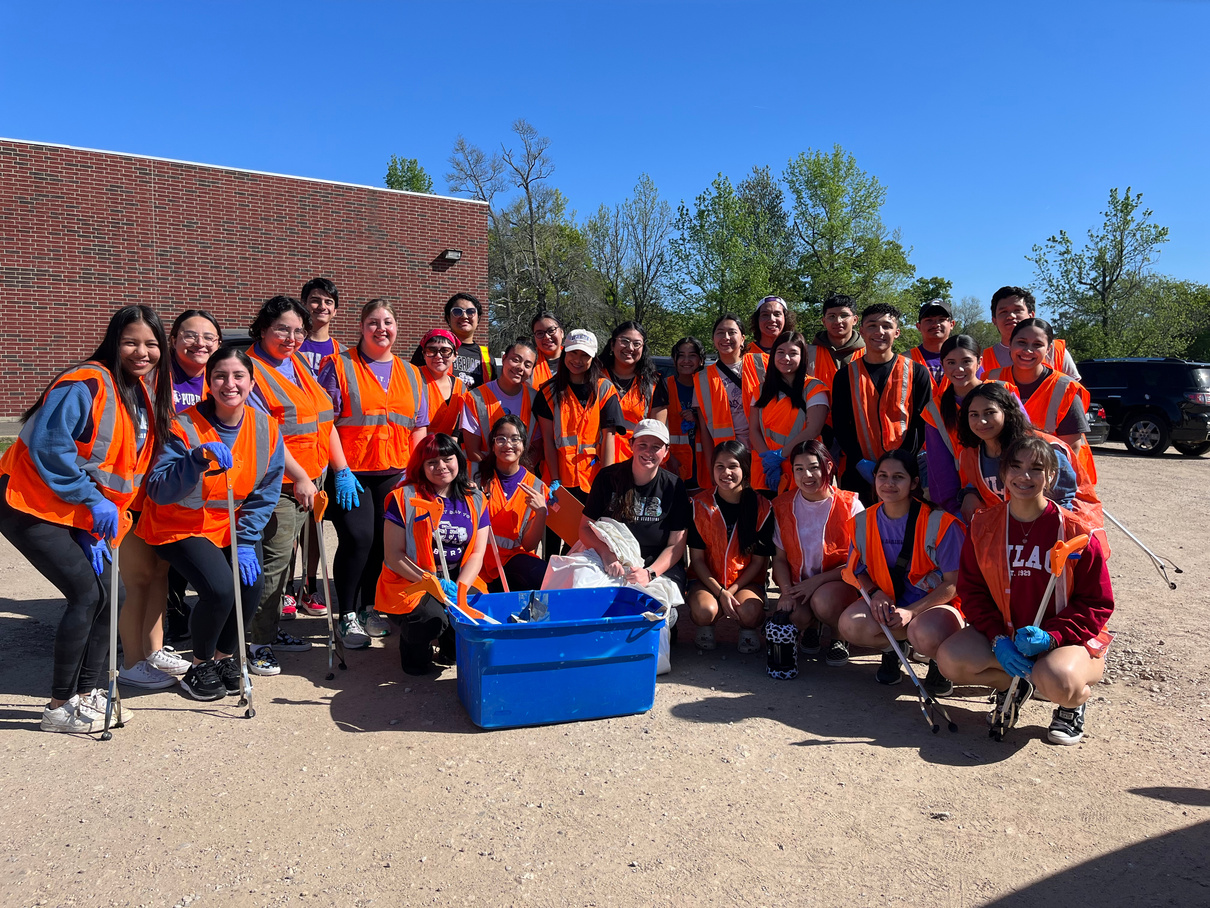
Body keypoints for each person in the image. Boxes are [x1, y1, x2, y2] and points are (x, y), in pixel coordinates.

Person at [0, 306, 173, 731]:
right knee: (86, 594)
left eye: (151, 344)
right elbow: (49, 448)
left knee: (113, 596)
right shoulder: (86, 382)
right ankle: (59, 707)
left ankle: (89, 692)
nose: (142, 352)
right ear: (114, 342)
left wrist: (93, 522)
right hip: (29, 502)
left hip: (79, 511)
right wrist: (90, 502)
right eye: (131, 342)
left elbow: (119, 471)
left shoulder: (139, 393)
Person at [935, 435, 1113, 744]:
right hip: (1008, 633)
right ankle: (1013, 686)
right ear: (1003, 473)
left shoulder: (1077, 533)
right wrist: (997, 638)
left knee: (1059, 680)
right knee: (950, 660)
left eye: (1036, 468)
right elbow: (973, 591)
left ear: (1052, 475)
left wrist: (1053, 636)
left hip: (1064, 640)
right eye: (1015, 467)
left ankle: (1072, 705)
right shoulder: (983, 525)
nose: (1024, 476)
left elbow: (1097, 603)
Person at [139, 346, 285, 702]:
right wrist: (194, 460)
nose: (229, 384)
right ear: (209, 382)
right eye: (220, 376)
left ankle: (223, 658)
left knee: (250, 586)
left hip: (229, 526)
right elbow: (158, 488)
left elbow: (266, 490)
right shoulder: (181, 426)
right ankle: (199, 665)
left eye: (238, 376)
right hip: (178, 524)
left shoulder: (266, 427)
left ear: (252, 383)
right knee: (220, 589)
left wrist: (246, 539)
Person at [318, 299, 428, 649]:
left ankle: (369, 607)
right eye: (374, 322)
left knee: (384, 542)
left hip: (395, 472)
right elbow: (326, 422)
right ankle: (347, 614)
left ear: (397, 327)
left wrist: (415, 474)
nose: (382, 329)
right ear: (361, 327)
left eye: (388, 322)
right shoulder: (339, 365)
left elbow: (418, 427)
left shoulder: (412, 374)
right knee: (358, 538)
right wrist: (340, 470)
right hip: (352, 471)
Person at [245, 296, 341, 675]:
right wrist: (300, 476)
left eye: (299, 331)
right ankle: (257, 642)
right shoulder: (250, 370)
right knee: (274, 562)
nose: (292, 338)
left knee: (285, 563)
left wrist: (328, 472)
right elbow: (264, 433)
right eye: (282, 329)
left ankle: (270, 629)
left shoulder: (296, 363)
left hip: (310, 477)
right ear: (262, 329)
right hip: (279, 483)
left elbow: (319, 418)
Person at [837, 450, 966, 694]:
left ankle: (937, 660)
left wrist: (911, 611)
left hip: (935, 605)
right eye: (882, 476)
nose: (889, 483)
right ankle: (894, 649)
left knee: (925, 634)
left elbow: (955, 583)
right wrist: (874, 593)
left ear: (914, 482)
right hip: (890, 601)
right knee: (850, 624)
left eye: (898, 477)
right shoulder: (863, 521)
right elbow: (856, 570)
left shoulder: (941, 522)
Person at [376, 433, 489, 676]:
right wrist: (431, 583)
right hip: (411, 580)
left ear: (458, 460)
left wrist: (460, 589)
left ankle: (450, 649)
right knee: (430, 618)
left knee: (473, 611)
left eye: (447, 459)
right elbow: (393, 555)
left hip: (456, 577)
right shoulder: (404, 498)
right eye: (432, 462)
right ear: (421, 466)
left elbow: (477, 553)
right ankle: (414, 652)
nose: (441, 467)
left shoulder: (475, 498)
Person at [770, 440, 863, 666]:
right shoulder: (782, 506)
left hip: (838, 584)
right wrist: (786, 592)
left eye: (814, 467)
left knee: (823, 602)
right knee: (794, 615)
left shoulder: (851, 505)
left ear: (828, 467)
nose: (807, 475)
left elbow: (860, 563)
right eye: (799, 469)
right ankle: (812, 626)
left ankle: (838, 637)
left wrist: (817, 582)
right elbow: (779, 559)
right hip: (800, 585)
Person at [831, 304, 932, 500]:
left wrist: (902, 462)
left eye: (887, 326)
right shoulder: (845, 376)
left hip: (905, 471)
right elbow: (841, 424)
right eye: (872, 326)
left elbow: (921, 424)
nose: (879, 332)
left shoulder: (917, 372)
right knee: (862, 519)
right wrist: (859, 461)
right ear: (861, 331)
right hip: (859, 472)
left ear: (897, 332)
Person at [580, 419, 691, 596]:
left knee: (647, 605)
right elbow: (585, 528)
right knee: (584, 591)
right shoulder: (607, 478)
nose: (648, 451)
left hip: (657, 568)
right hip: (611, 562)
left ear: (666, 451)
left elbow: (676, 545)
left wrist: (650, 573)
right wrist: (607, 555)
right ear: (631, 444)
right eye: (642, 444)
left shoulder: (674, 486)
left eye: (656, 447)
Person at [686, 441, 774, 653]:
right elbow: (696, 560)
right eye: (720, 466)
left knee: (750, 612)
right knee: (705, 611)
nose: (726, 473)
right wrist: (720, 592)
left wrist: (730, 592)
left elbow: (758, 562)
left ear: (745, 468)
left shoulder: (763, 507)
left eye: (733, 466)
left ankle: (747, 628)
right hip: (707, 581)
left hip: (745, 582)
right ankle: (706, 625)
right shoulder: (699, 505)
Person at [924, 335, 1013, 517]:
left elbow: (1024, 439)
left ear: (979, 362)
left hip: (1013, 491)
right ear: (942, 365)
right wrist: (954, 509)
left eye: (966, 361)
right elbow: (940, 469)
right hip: (968, 503)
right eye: (951, 362)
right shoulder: (935, 409)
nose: (959, 369)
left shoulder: (1003, 391)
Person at [534, 329, 623, 499]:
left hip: (593, 480)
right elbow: (548, 440)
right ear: (564, 352)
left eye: (584, 355)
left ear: (593, 358)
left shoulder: (605, 389)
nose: (577, 360)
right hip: (559, 480)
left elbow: (609, 439)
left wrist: (605, 480)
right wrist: (555, 479)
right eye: (573, 353)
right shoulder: (548, 392)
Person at [986, 319, 1093, 459]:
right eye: (1021, 342)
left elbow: (1072, 449)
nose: (1028, 350)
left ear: (1048, 349)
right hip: (1009, 467)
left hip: (1056, 468)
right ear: (1010, 344)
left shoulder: (1066, 389)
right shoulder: (990, 379)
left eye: (1037, 345)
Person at [749, 331, 830, 495]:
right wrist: (768, 459)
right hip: (766, 470)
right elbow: (754, 430)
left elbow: (813, 430)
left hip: (803, 469)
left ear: (802, 357)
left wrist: (780, 456)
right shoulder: (761, 390)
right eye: (781, 352)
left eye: (793, 353)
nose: (786, 358)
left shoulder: (814, 388)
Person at [477, 416, 548, 591]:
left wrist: (541, 513)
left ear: (524, 445)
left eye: (515, 439)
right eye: (501, 439)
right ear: (492, 445)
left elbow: (529, 545)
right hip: (477, 561)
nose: (508, 445)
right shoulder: (476, 478)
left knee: (545, 576)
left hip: (513, 562)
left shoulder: (537, 487)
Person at [461, 338, 540, 465]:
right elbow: (473, 451)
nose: (520, 367)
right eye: (516, 360)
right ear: (504, 359)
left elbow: (536, 448)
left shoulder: (535, 399)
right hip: (484, 472)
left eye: (527, 365)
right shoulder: (475, 397)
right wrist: (497, 473)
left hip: (522, 473)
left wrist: (517, 473)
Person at [692, 313, 760, 453]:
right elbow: (705, 430)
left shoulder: (762, 364)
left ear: (742, 338)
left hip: (762, 450)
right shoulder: (702, 378)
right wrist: (711, 463)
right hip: (726, 454)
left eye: (732, 332)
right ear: (713, 339)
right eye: (720, 333)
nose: (726, 337)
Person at [981, 286, 1080, 379]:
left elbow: (1074, 388)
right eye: (1003, 312)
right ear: (994, 320)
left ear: (1031, 315)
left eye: (1017, 310)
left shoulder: (1056, 351)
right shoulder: (982, 359)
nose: (1011, 316)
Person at [651, 337, 709, 491]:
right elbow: (657, 428)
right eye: (681, 355)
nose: (686, 360)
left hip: (703, 466)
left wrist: (697, 419)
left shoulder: (708, 386)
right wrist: (669, 458)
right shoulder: (665, 386)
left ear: (701, 360)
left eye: (692, 355)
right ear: (674, 360)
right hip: (672, 465)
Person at [600, 321, 659, 462]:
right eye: (624, 341)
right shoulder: (595, 376)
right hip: (594, 461)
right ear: (612, 344)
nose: (630, 348)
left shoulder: (653, 383)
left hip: (635, 462)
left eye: (637, 344)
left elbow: (656, 433)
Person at [412, 292, 493, 390]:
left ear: (478, 317)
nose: (464, 316)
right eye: (457, 312)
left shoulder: (487, 358)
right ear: (448, 317)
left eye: (470, 311)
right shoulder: (430, 348)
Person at [805, 293, 865, 405]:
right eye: (832, 316)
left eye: (844, 315)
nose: (838, 321)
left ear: (855, 320)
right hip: (817, 415)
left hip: (859, 416)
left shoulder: (869, 353)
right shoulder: (807, 353)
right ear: (824, 321)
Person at [417, 328, 468, 439]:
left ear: (455, 355)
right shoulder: (413, 378)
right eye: (431, 350)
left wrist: (452, 443)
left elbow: (460, 423)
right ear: (424, 354)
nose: (438, 356)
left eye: (445, 351)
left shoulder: (460, 387)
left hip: (446, 447)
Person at [743, 295, 797, 388]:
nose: (772, 319)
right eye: (765, 315)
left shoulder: (798, 353)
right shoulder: (745, 353)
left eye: (777, 314)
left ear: (786, 318)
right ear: (757, 319)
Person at [297, 277, 341, 375]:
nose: (322, 307)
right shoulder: (290, 345)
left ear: (335, 311)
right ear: (303, 304)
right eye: (315, 301)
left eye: (328, 302)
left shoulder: (342, 353)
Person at [911, 299, 956, 393]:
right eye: (929, 320)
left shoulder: (968, 359)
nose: (936, 325)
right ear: (918, 326)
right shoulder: (906, 360)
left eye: (942, 319)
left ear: (952, 324)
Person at [530, 310, 563, 389]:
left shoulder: (574, 358)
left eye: (551, 330)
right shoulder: (528, 360)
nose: (546, 337)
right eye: (540, 333)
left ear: (562, 332)